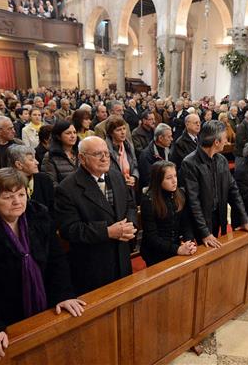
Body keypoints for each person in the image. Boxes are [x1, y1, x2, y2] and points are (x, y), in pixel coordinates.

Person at [0, 168, 85, 364]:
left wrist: (63, 294)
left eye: (21, 194)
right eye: (8, 197)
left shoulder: (39, 214)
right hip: (0, 312)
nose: (17, 201)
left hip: (41, 303)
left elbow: (56, 259)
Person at [55, 136, 137, 295]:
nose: (104, 158)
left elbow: (130, 205)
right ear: (82, 158)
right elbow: (69, 229)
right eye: (98, 154)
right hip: (94, 265)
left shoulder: (116, 175)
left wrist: (131, 226)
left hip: (122, 257)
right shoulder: (67, 188)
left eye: (106, 153)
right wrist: (107, 232)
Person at [180, 121, 248, 248]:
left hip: (218, 216)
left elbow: (234, 191)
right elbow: (193, 201)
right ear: (216, 142)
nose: (227, 142)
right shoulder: (189, 163)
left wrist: (244, 220)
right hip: (200, 221)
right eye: (225, 139)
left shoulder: (221, 160)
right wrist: (204, 232)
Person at [140, 161, 196, 266]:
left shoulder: (180, 194)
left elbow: (186, 223)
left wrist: (189, 242)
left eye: (175, 176)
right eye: (169, 178)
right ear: (158, 180)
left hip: (175, 247)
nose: (174, 181)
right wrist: (177, 249)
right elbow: (152, 237)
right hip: (155, 252)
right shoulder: (149, 200)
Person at [8, 145, 55, 212]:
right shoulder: (8, 183)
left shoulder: (44, 179)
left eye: (35, 158)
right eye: (31, 159)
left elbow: (52, 207)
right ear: (19, 164)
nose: (37, 162)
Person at [105, 115, 138, 190]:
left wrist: (134, 176)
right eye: (118, 130)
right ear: (111, 133)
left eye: (124, 128)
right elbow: (106, 172)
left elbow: (135, 165)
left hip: (130, 187)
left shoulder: (129, 146)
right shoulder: (105, 149)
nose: (123, 132)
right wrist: (122, 179)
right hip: (114, 188)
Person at [41, 121, 79, 185]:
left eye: (74, 132)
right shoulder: (50, 156)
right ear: (58, 136)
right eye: (68, 133)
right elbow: (51, 183)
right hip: (63, 193)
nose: (73, 136)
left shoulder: (80, 153)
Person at [138, 123, 173, 189]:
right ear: (160, 138)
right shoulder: (146, 155)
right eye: (169, 137)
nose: (171, 139)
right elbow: (148, 179)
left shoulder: (168, 150)